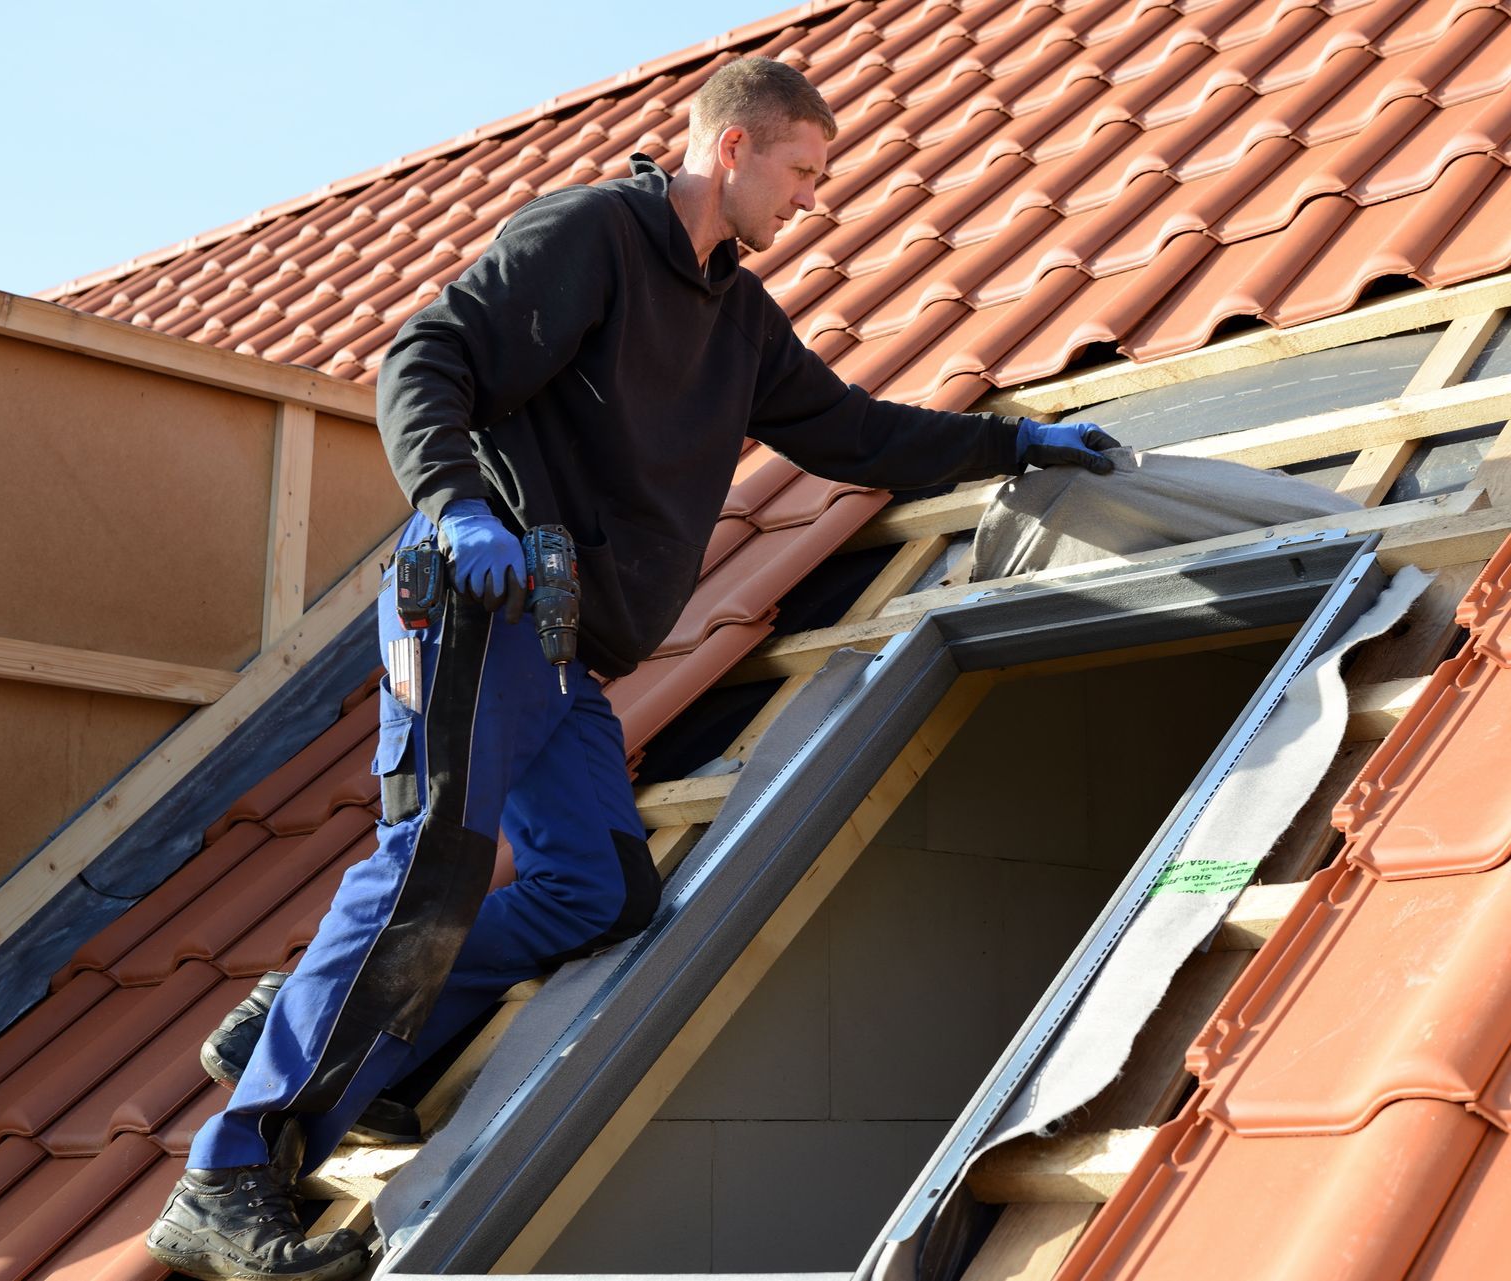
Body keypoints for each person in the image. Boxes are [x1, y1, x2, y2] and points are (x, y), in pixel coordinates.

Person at [144, 56, 1118, 1281]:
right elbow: (423, 357)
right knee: (432, 864)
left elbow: (853, 430)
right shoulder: (594, 233)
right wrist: (454, 505)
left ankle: (339, 1030)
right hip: (485, 595)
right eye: (802, 173)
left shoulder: (737, 322)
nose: (810, 202)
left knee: (603, 890)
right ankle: (231, 1174)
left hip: (564, 648)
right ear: (731, 150)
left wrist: (1013, 438)